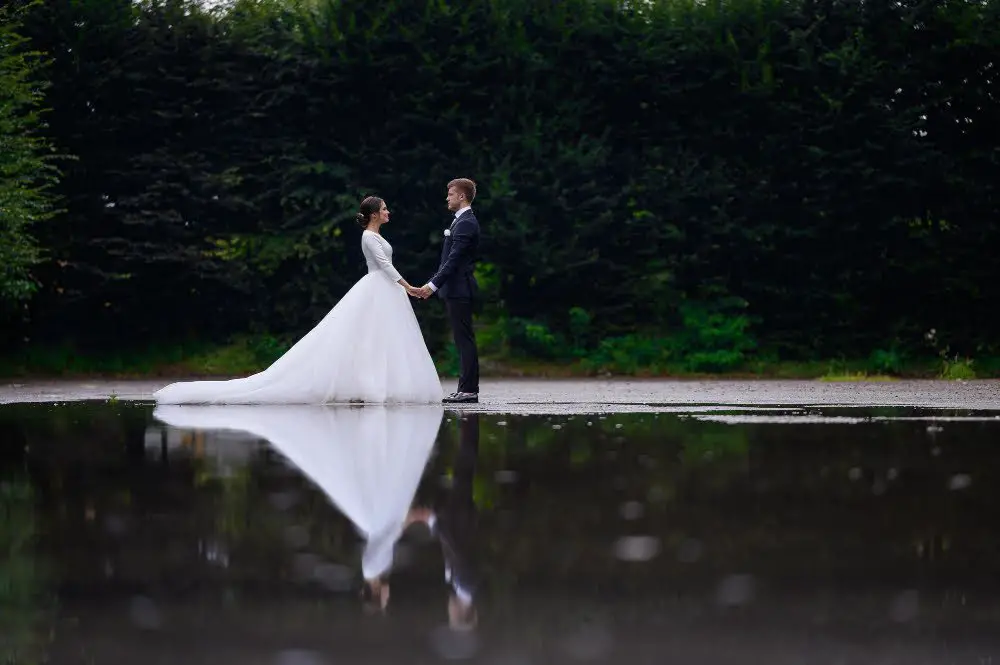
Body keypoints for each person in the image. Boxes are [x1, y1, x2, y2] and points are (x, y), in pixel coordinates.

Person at [152, 196, 443, 404]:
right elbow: (385, 266)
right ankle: (375, 385)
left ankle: (382, 383)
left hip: (384, 290)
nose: (388, 211)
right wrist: (409, 286)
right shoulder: (369, 237)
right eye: (384, 209)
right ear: (374, 214)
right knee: (368, 337)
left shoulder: (376, 235)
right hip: (380, 287)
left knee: (380, 339)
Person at [413, 178, 481, 404]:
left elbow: (453, 261)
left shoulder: (466, 223)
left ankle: (469, 390)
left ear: (462, 196)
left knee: (464, 340)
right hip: (455, 289)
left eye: (450, 194)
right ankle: (466, 388)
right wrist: (432, 282)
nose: (447, 198)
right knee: (462, 339)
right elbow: (447, 262)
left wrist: (431, 286)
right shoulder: (459, 222)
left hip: (460, 289)